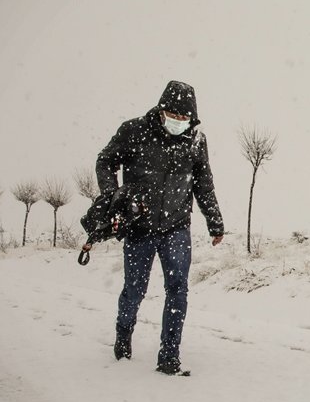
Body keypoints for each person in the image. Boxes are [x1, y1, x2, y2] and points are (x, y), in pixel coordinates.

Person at [95, 80, 225, 375]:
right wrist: (112, 196)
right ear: (161, 110)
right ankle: (123, 333)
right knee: (135, 289)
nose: (179, 122)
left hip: (177, 225)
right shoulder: (134, 131)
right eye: (174, 116)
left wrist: (214, 221)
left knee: (178, 289)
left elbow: (203, 184)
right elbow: (105, 162)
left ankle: (169, 354)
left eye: (185, 118)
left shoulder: (195, 141)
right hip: (139, 226)